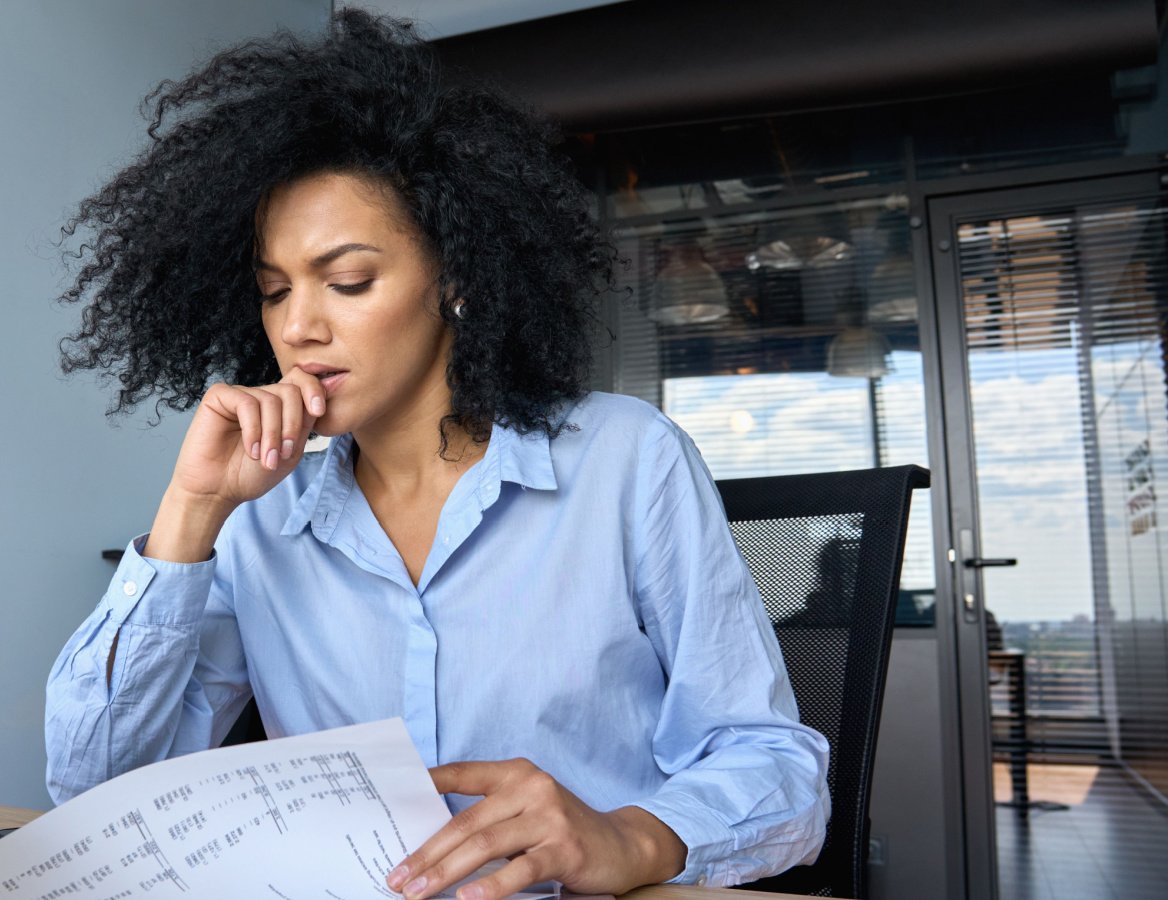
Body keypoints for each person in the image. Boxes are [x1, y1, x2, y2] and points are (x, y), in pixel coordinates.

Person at [45, 10, 829, 898]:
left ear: (454, 277)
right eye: (273, 292)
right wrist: (190, 512)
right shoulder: (261, 514)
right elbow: (95, 792)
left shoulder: (626, 460)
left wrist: (628, 841)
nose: (298, 327)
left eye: (348, 282)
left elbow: (776, 765)